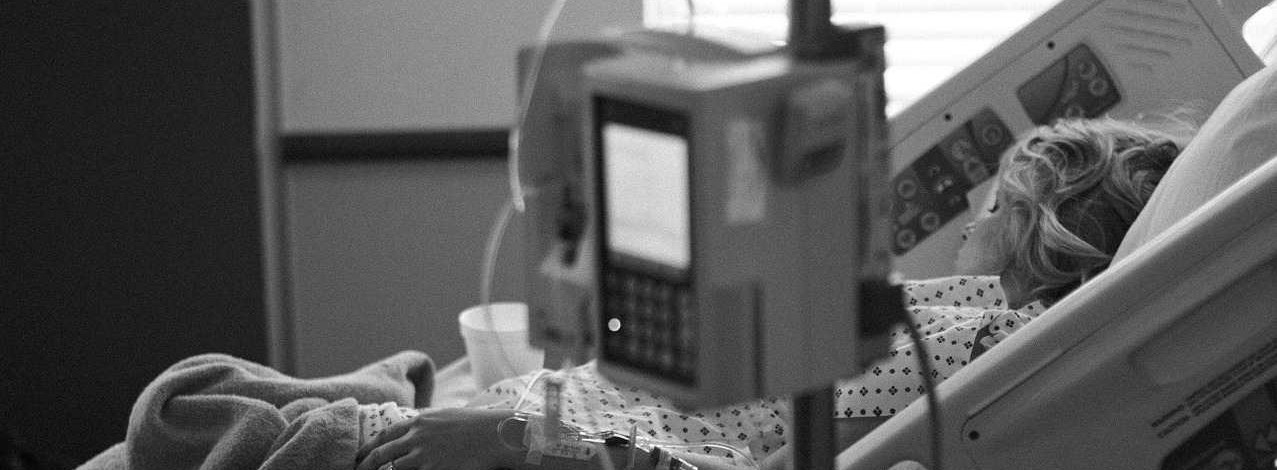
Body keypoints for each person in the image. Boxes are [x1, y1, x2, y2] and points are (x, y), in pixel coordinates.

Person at [356, 116, 1189, 470]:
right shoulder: (964, 315)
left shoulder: (976, 353)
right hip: (547, 416)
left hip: (532, 445)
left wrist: (523, 440)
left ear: (1049, 243)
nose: (974, 214)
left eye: (1000, 204)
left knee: (284, 420)